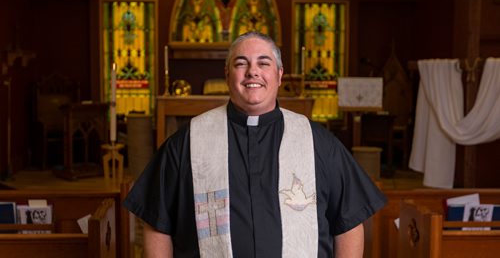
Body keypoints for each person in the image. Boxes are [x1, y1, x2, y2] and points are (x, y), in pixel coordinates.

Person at [124, 31, 386, 257]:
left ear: (279, 74)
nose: (253, 72)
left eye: (264, 63)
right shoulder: (188, 141)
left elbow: (349, 223)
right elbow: (157, 225)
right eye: (241, 63)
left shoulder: (318, 142)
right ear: (227, 74)